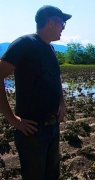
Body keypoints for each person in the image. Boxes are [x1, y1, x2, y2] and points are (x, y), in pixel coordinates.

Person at [0, 5, 71, 180]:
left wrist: (61, 103)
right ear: (52, 22)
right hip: (32, 131)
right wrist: (12, 119)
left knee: (51, 175)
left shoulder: (51, 49)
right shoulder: (24, 44)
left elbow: (56, 78)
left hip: (53, 128)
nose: (63, 28)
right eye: (62, 23)